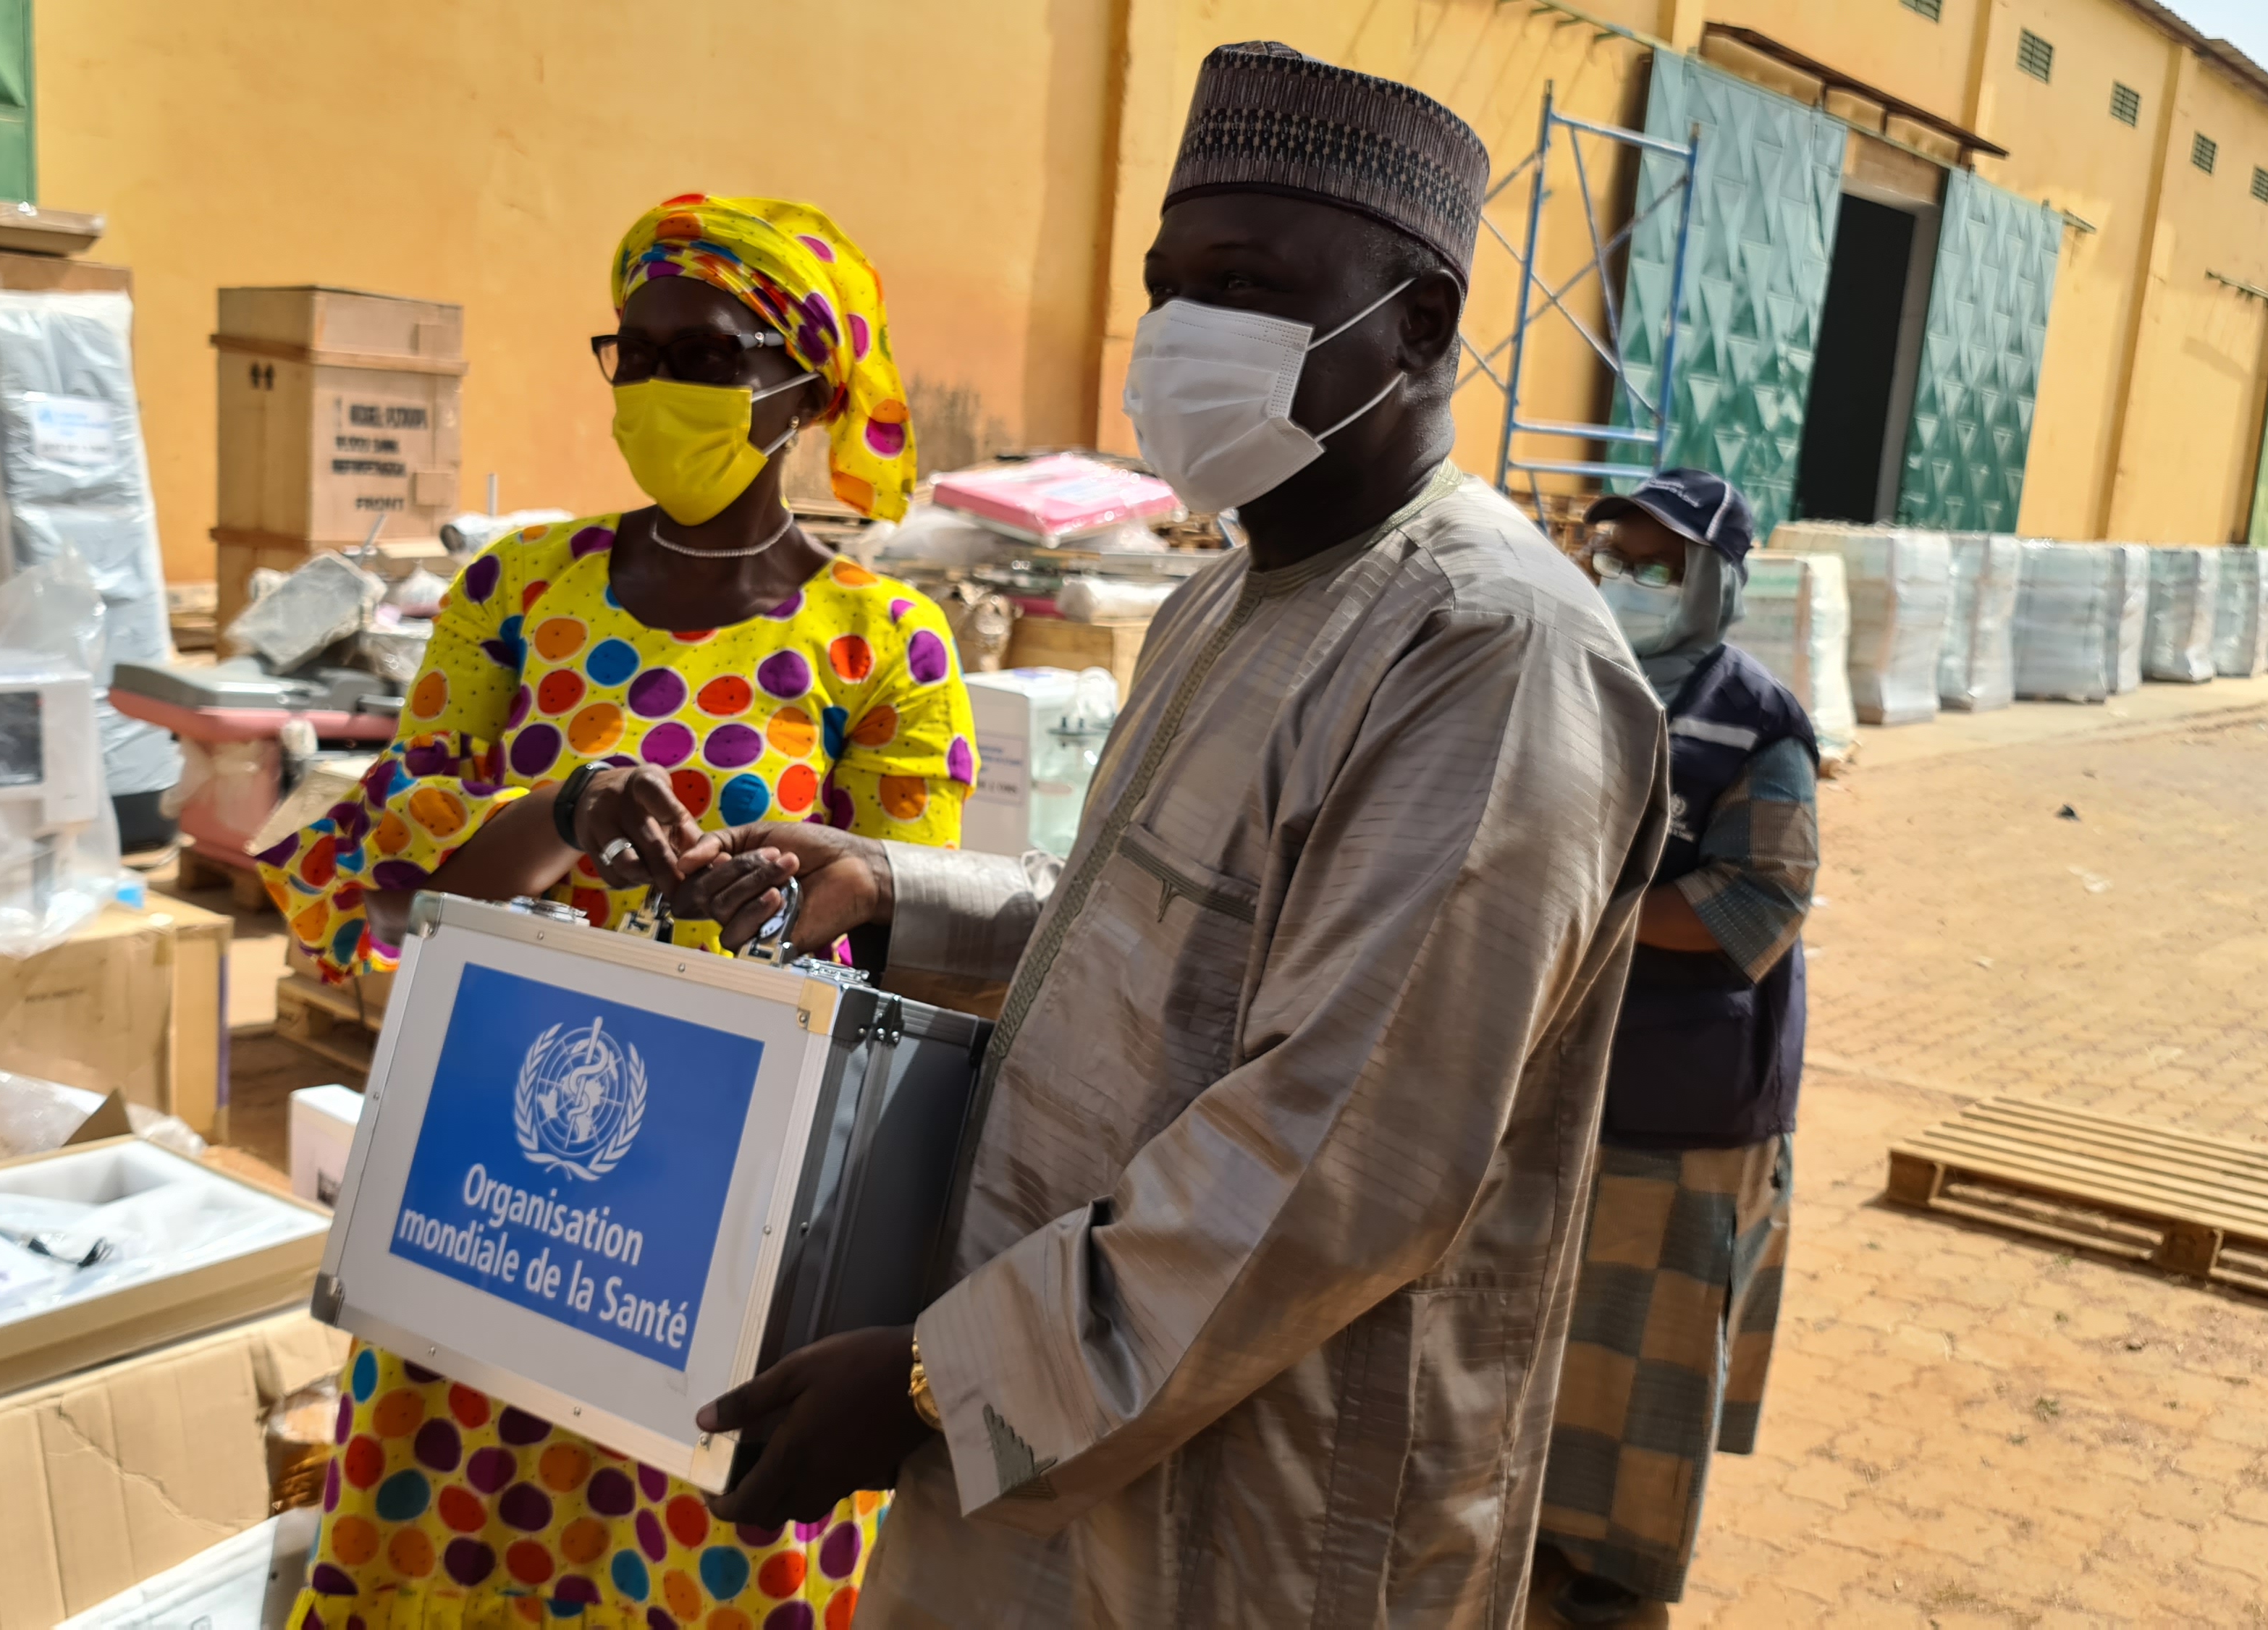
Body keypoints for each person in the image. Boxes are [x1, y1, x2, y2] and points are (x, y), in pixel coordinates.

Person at [650, 43, 1672, 1626]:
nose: (1180, 332)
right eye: (1167, 283)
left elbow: (1336, 1153)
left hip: (1256, 1504)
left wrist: (934, 1382)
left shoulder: (1486, 648)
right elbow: (1145, 926)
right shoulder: (1224, 594)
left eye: (1244, 282)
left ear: (1414, 324)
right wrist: (893, 890)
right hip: (1046, 1413)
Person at [260, 192, 981, 1630]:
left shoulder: (881, 642)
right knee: (463, 1526)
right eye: (633, 350)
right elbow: (377, 887)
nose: (656, 387)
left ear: (802, 384)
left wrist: (789, 907)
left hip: (720, 1217)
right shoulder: (516, 594)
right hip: (487, 1189)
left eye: (704, 357)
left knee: (694, 1551)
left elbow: (917, 975)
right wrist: (562, 813)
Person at [1538, 469, 1822, 1623]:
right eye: (1616, 556)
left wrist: (1587, 912)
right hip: (1567, 1074)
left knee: (1642, 1363)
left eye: (1659, 566)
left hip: (1685, 1099)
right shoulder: (1567, 681)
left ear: (1712, 583)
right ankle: (1538, 1540)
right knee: (1552, 1335)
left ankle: (1620, 1587)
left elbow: (1762, 897)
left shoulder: (1758, 724)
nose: (1628, 581)